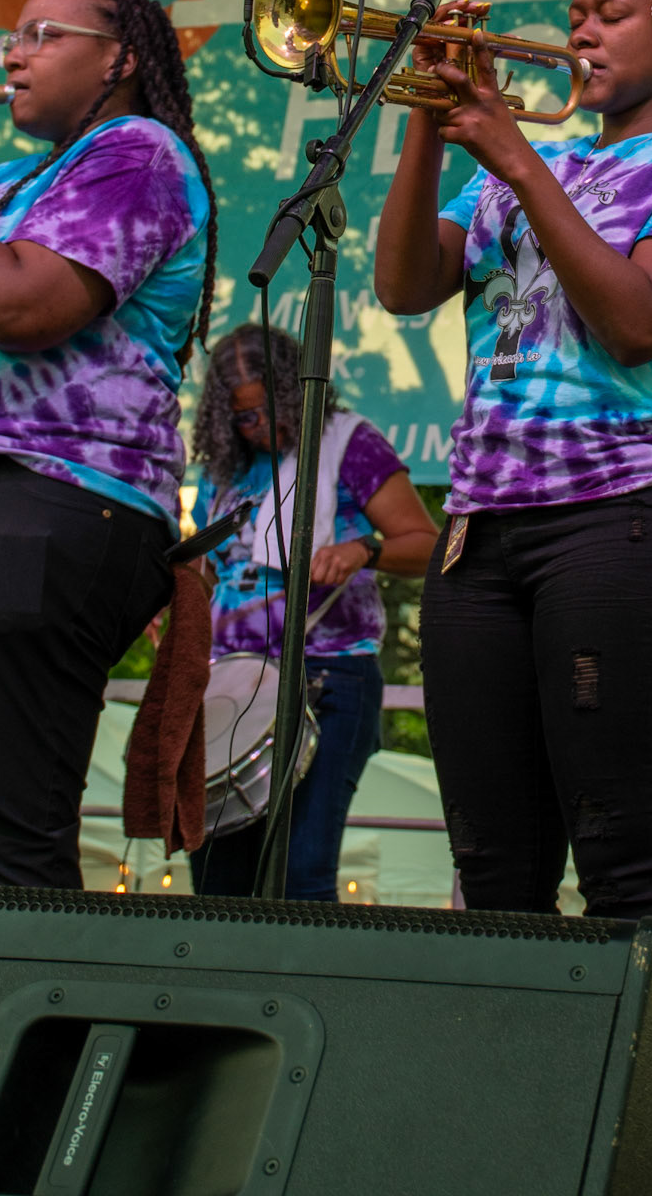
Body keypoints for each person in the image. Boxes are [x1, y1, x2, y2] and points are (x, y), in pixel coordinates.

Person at [374, 0, 652, 960]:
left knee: (626, 867)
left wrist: (505, 143)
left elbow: (639, 320)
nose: (579, 27)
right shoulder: (529, 162)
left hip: (632, 515)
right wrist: (431, 118)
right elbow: (407, 283)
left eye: (609, 9)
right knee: (494, 874)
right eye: (575, 7)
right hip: (485, 531)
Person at [0, 0, 216, 888]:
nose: (11, 54)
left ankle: (22, 1034)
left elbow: (18, 307)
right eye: (8, 39)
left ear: (122, 57)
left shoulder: (139, 153)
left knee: (0, 827)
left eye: (40, 33)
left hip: (47, 497)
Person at [189, 323, 437, 899]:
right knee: (216, 876)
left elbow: (427, 544)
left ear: (298, 393)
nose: (261, 428)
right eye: (244, 418)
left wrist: (363, 549)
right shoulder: (225, 469)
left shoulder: (348, 442)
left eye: (271, 410)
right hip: (231, 683)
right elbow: (208, 568)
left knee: (301, 872)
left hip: (327, 677)